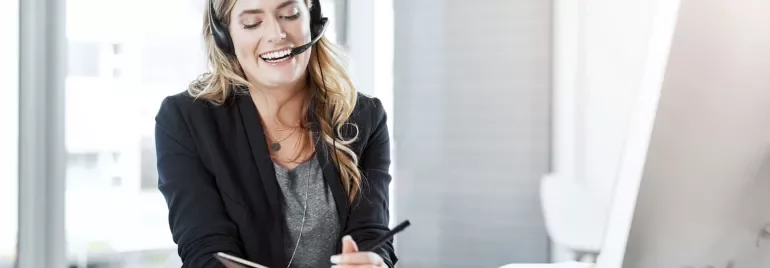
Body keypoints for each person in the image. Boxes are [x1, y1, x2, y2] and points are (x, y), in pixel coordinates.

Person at [154, 0, 396, 267]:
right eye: (252, 23)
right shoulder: (185, 120)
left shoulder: (364, 117)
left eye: (290, 14)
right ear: (224, 36)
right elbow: (203, 246)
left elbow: (372, 235)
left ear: (313, 20)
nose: (277, 34)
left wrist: (373, 262)